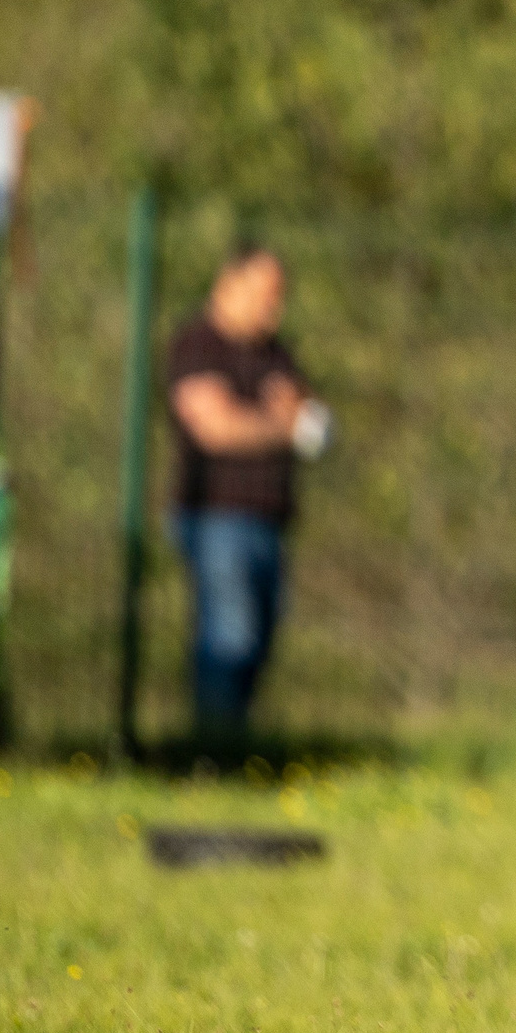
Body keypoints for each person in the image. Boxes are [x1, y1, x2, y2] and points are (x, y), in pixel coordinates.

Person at [167, 244, 330, 735]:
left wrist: (296, 414)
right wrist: (283, 427)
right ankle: (215, 747)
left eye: (279, 297)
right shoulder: (198, 345)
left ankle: (234, 741)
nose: (274, 308)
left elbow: (317, 424)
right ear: (228, 285)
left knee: (260, 639)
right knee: (228, 634)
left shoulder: (277, 353)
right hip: (216, 515)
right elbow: (214, 427)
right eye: (264, 294)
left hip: (271, 518)